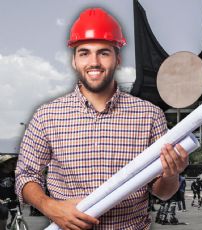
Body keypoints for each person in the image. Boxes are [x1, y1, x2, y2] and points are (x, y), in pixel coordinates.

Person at [15, 8, 189, 230]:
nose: (94, 62)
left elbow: (163, 192)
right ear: (74, 61)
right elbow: (25, 174)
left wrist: (171, 174)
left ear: (117, 59)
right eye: (84, 53)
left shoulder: (149, 116)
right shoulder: (47, 116)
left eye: (104, 53)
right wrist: (50, 207)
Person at [0, 155, 18, 230]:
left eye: (15, 163)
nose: (15, 165)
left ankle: (12, 225)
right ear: (5, 164)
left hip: (12, 199)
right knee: (4, 212)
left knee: (18, 214)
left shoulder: (14, 174)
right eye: (12, 163)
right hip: (2, 200)